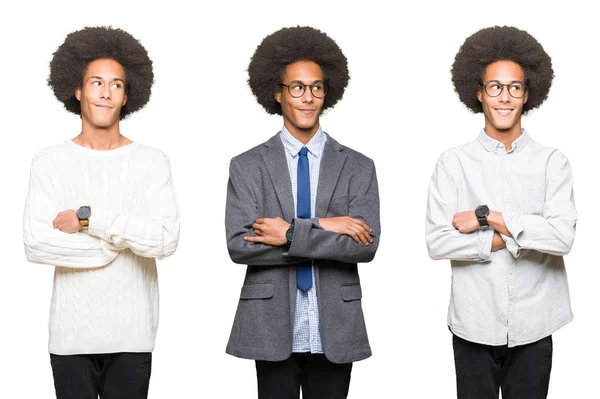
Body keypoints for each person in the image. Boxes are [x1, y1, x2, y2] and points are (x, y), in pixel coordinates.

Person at [23, 26, 179, 399]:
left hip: (132, 336)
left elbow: (164, 240)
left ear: (128, 95)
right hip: (71, 337)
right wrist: (115, 246)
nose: (106, 92)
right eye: (96, 82)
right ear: (78, 90)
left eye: (117, 85)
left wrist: (89, 221)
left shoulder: (151, 162)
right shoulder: (50, 162)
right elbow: (36, 244)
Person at [225, 26, 380, 399]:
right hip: (270, 324)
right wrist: (327, 226)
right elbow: (240, 245)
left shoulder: (358, 166)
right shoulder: (247, 165)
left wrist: (290, 233)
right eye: (296, 87)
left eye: (316, 87)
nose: (307, 97)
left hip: (335, 326)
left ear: (327, 92)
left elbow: (364, 247)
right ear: (278, 93)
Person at [426, 26, 577, 399]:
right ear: (479, 93)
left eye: (514, 87)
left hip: (536, 325)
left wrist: (487, 217)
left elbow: (561, 237)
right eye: (495, 87)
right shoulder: (453, 163)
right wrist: (515, 236)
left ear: (528, 95)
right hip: (473, 325)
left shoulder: (552, 163)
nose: (504, 97)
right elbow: (437, 241)